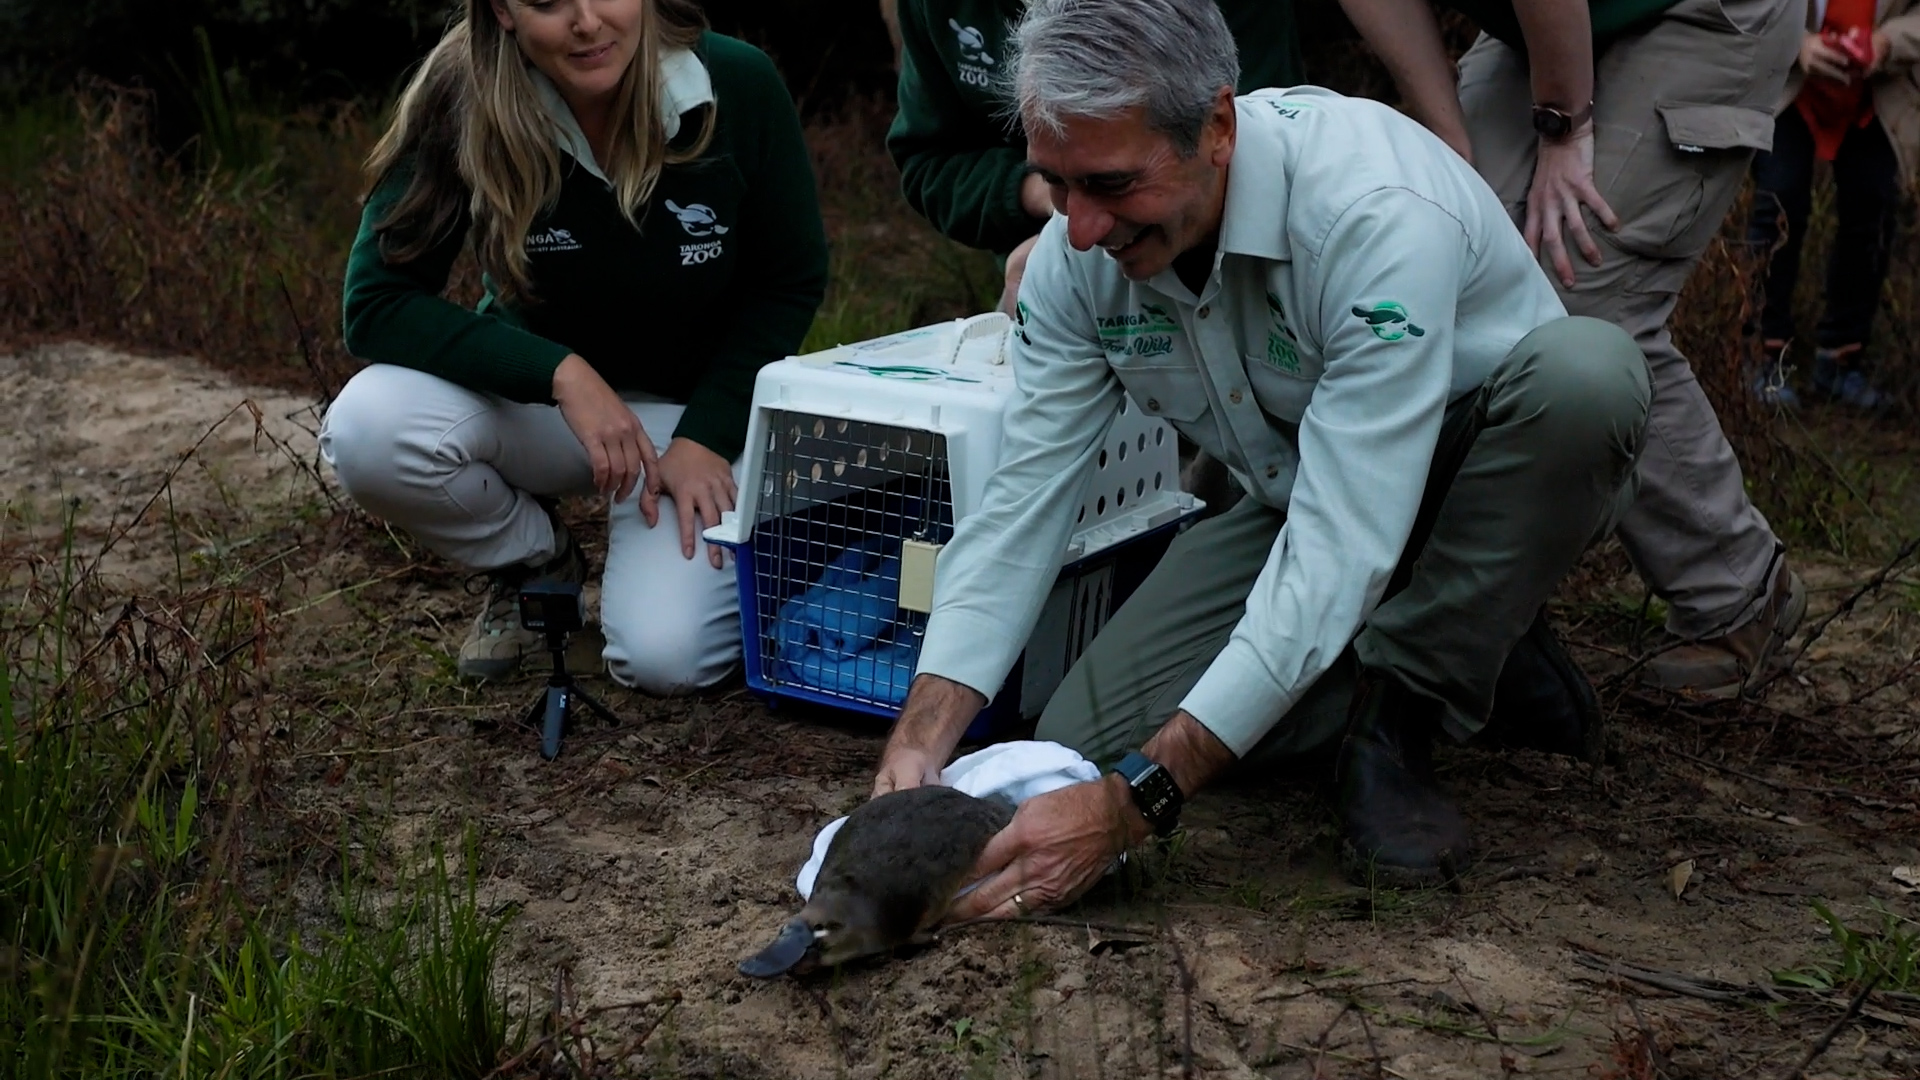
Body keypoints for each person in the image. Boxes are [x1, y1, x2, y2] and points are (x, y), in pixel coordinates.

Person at [870, 0, 1652, 904]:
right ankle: (1468, 630)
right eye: (1057, 184)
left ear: (1217, 128)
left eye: (1113, 186)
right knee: (1088, 733)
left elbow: (1339, 545)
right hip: (1300, 497)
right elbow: (1021, 504)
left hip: (1476, 468)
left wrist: (1137, 806)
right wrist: (920, 740)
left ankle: (1405, 705)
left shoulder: (1368, 212)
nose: (1081, 228)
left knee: (1588, 377)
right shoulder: (1075, 254)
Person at [318, 0, 828, 694]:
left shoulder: (735, 81)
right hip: (554, 415)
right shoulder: (464, 88)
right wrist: (559, 371)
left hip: (693, 420)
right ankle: (536, 562)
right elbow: (376, 304)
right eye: (550, 2)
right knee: (368, 428)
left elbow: (790, 282)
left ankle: (748, 541)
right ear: (502, 10)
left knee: (667, 661)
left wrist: (708, 433)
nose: (587, 22)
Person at [1337, 0, 1810, 698]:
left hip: (1698, 11)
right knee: (1453, 248)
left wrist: (1564, 125)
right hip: (1552, 19)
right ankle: (1453, 600)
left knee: (1581, 297)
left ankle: (1738, 592)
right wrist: (1452, 146)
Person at [886, 0, 1307, 315]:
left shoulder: (1348, 224)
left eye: (1111, 182)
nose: (1079, 232)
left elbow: (1248, 141)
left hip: (1245, 276)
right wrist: (1045, 198)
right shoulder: (936, 6)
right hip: (1066, 284)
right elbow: (929, 160)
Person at [1747, 0, 1920, 411]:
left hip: (1878, 94)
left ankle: (1841, 360)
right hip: (1788, 88)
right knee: (1779, 201)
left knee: (1873, 209)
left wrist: (1886, 43)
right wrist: (1799, 44)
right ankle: (1761, 355)